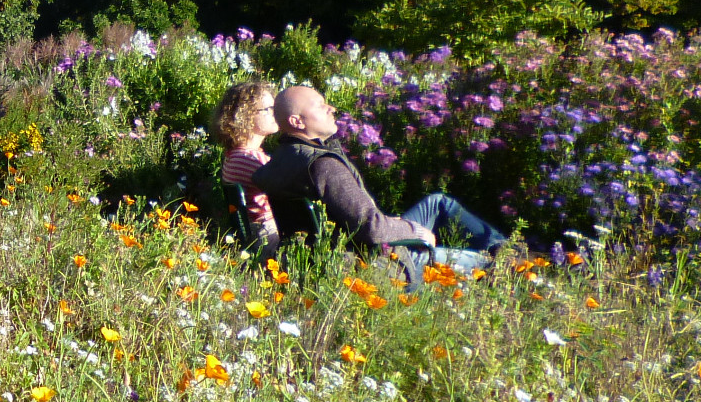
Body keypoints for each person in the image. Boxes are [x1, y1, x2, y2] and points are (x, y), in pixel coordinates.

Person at [253, 83, 506, 273]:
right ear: (297, 121)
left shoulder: (281, 160)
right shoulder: (322, 165)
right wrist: (412, 230)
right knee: (495, 268)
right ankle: (512, 262)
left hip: (341, 251)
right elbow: (370, 228)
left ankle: (506, 248)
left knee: (438, 203)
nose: (332, 108)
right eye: (320, 105)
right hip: (377, 262)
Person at [211, 80, 280, 252]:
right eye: (268, 109)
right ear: (246, 116)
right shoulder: (250, 158)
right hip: (268, 236)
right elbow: (287, 187)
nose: (276, 113)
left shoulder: (235, 154)